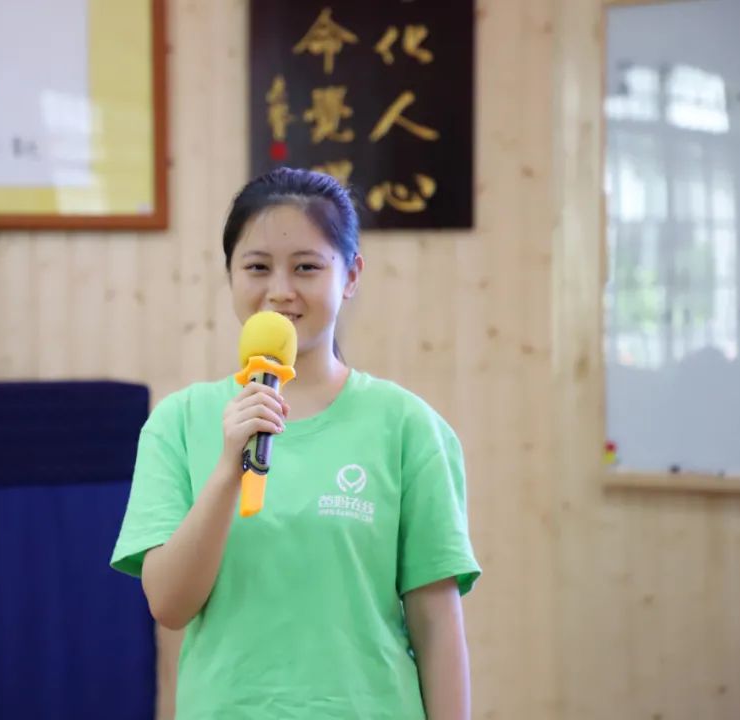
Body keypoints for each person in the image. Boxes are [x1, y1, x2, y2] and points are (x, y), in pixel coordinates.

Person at [110, 167, 481, 719]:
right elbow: (168, 605)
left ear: (350, 275)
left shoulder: (408, 426)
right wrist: (227, 470)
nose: (280, 291)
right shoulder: (178, 422)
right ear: (230, 274)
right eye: (257, 267)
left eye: (306, 267)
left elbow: (437, 625)